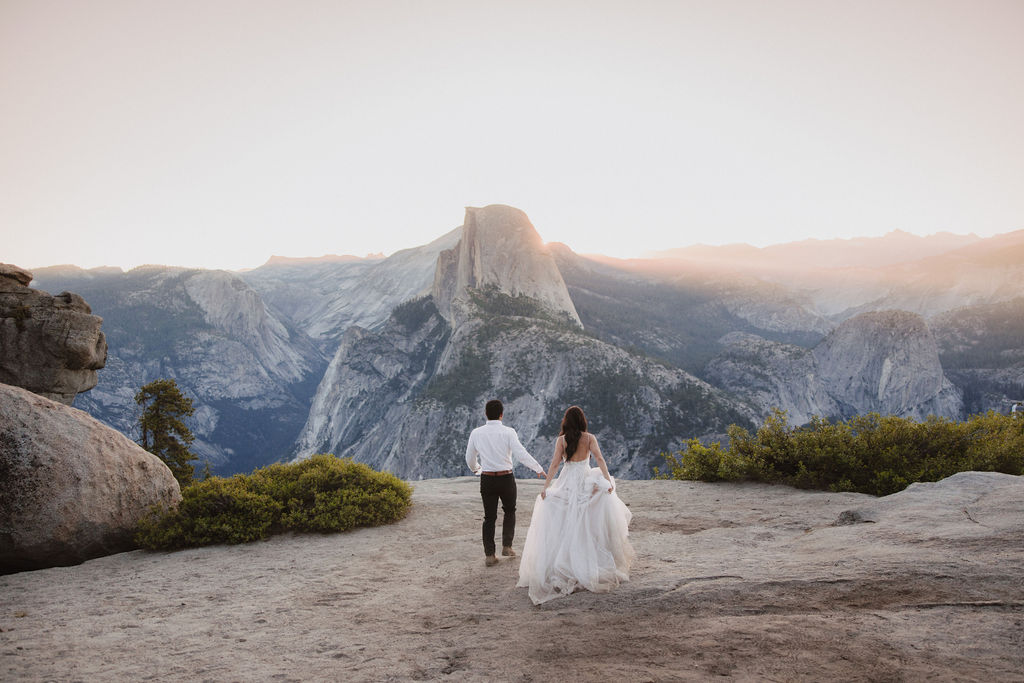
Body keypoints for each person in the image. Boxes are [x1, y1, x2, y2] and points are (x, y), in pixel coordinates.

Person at [516, 405, 635, 605]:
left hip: (567, 480)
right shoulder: (589, 438)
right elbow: (599, 458)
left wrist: (546, 487)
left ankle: (563, 564)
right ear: (582, 421)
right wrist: (607, 481)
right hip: (587, 479)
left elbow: (554, 464)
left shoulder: (561, 440)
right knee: (587, 519)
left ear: (566, 422)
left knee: (564, 518)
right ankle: (590, 561)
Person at [465, 399, 546, 566]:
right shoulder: (509, 432)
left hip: (486, 478)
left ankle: (490, 555)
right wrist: (537, 468)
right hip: (506, 477)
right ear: (501, 415)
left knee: (489, 517)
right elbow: (520, 453)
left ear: (486, 414)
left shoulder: (476, 433)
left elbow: (469, 458)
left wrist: (476, 469)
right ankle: (507, 546)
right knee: (510, 511)